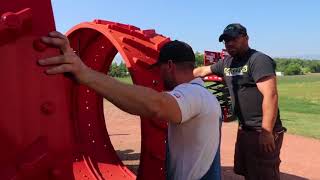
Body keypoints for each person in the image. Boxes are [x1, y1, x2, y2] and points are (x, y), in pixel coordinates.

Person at [38, 31, 222, 180]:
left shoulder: (194, 95)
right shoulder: (204, 95)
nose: (158, 76)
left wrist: (85, 74)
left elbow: (156, 105)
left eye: (159, 69)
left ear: (170, 66)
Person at [193, 23, 286, 180]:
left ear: (246, 38)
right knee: (248, 172)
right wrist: (180, 76)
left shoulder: (258, 60)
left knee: (264, 175)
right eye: (226, 40)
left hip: (261, 131)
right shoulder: (227, 63)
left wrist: (266, 131)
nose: (229, 43)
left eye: (234, 39)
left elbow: (271, 95)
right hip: (244, 129)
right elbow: (202, 71)